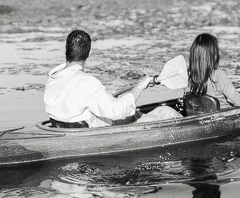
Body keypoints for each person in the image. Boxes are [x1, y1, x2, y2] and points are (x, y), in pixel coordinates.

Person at [44, 29, 180, 127]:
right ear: (88, 53)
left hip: (65, 129)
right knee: (167, 112)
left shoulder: (52, 79)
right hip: (98, 133)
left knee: (134, 113)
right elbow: (118, 111)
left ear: (66, 50)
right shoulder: (87, 82)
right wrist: (139, 86)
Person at [187, 33, 240, 108]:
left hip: (200, 113)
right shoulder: (218, 75)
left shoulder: (189, 74)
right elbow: (239, 102)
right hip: (221, 115)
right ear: (213, 54)